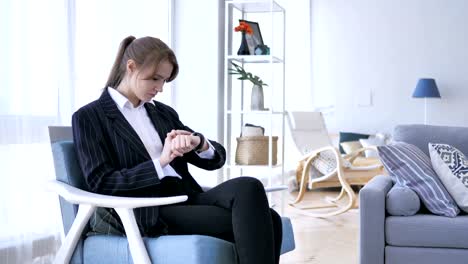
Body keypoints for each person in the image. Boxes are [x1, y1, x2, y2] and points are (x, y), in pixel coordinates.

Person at [72, 36, 282, 264]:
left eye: (164, 80)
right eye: (155, 79)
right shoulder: (89, 117)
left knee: (250, 187)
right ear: (131, 67)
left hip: (186, 196)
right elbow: (101, 181)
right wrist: (161, 162)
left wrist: (199, 143)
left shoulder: (162, 113)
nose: (160, 88)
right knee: (267, 220)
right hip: (148, 209)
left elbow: (215, 159)